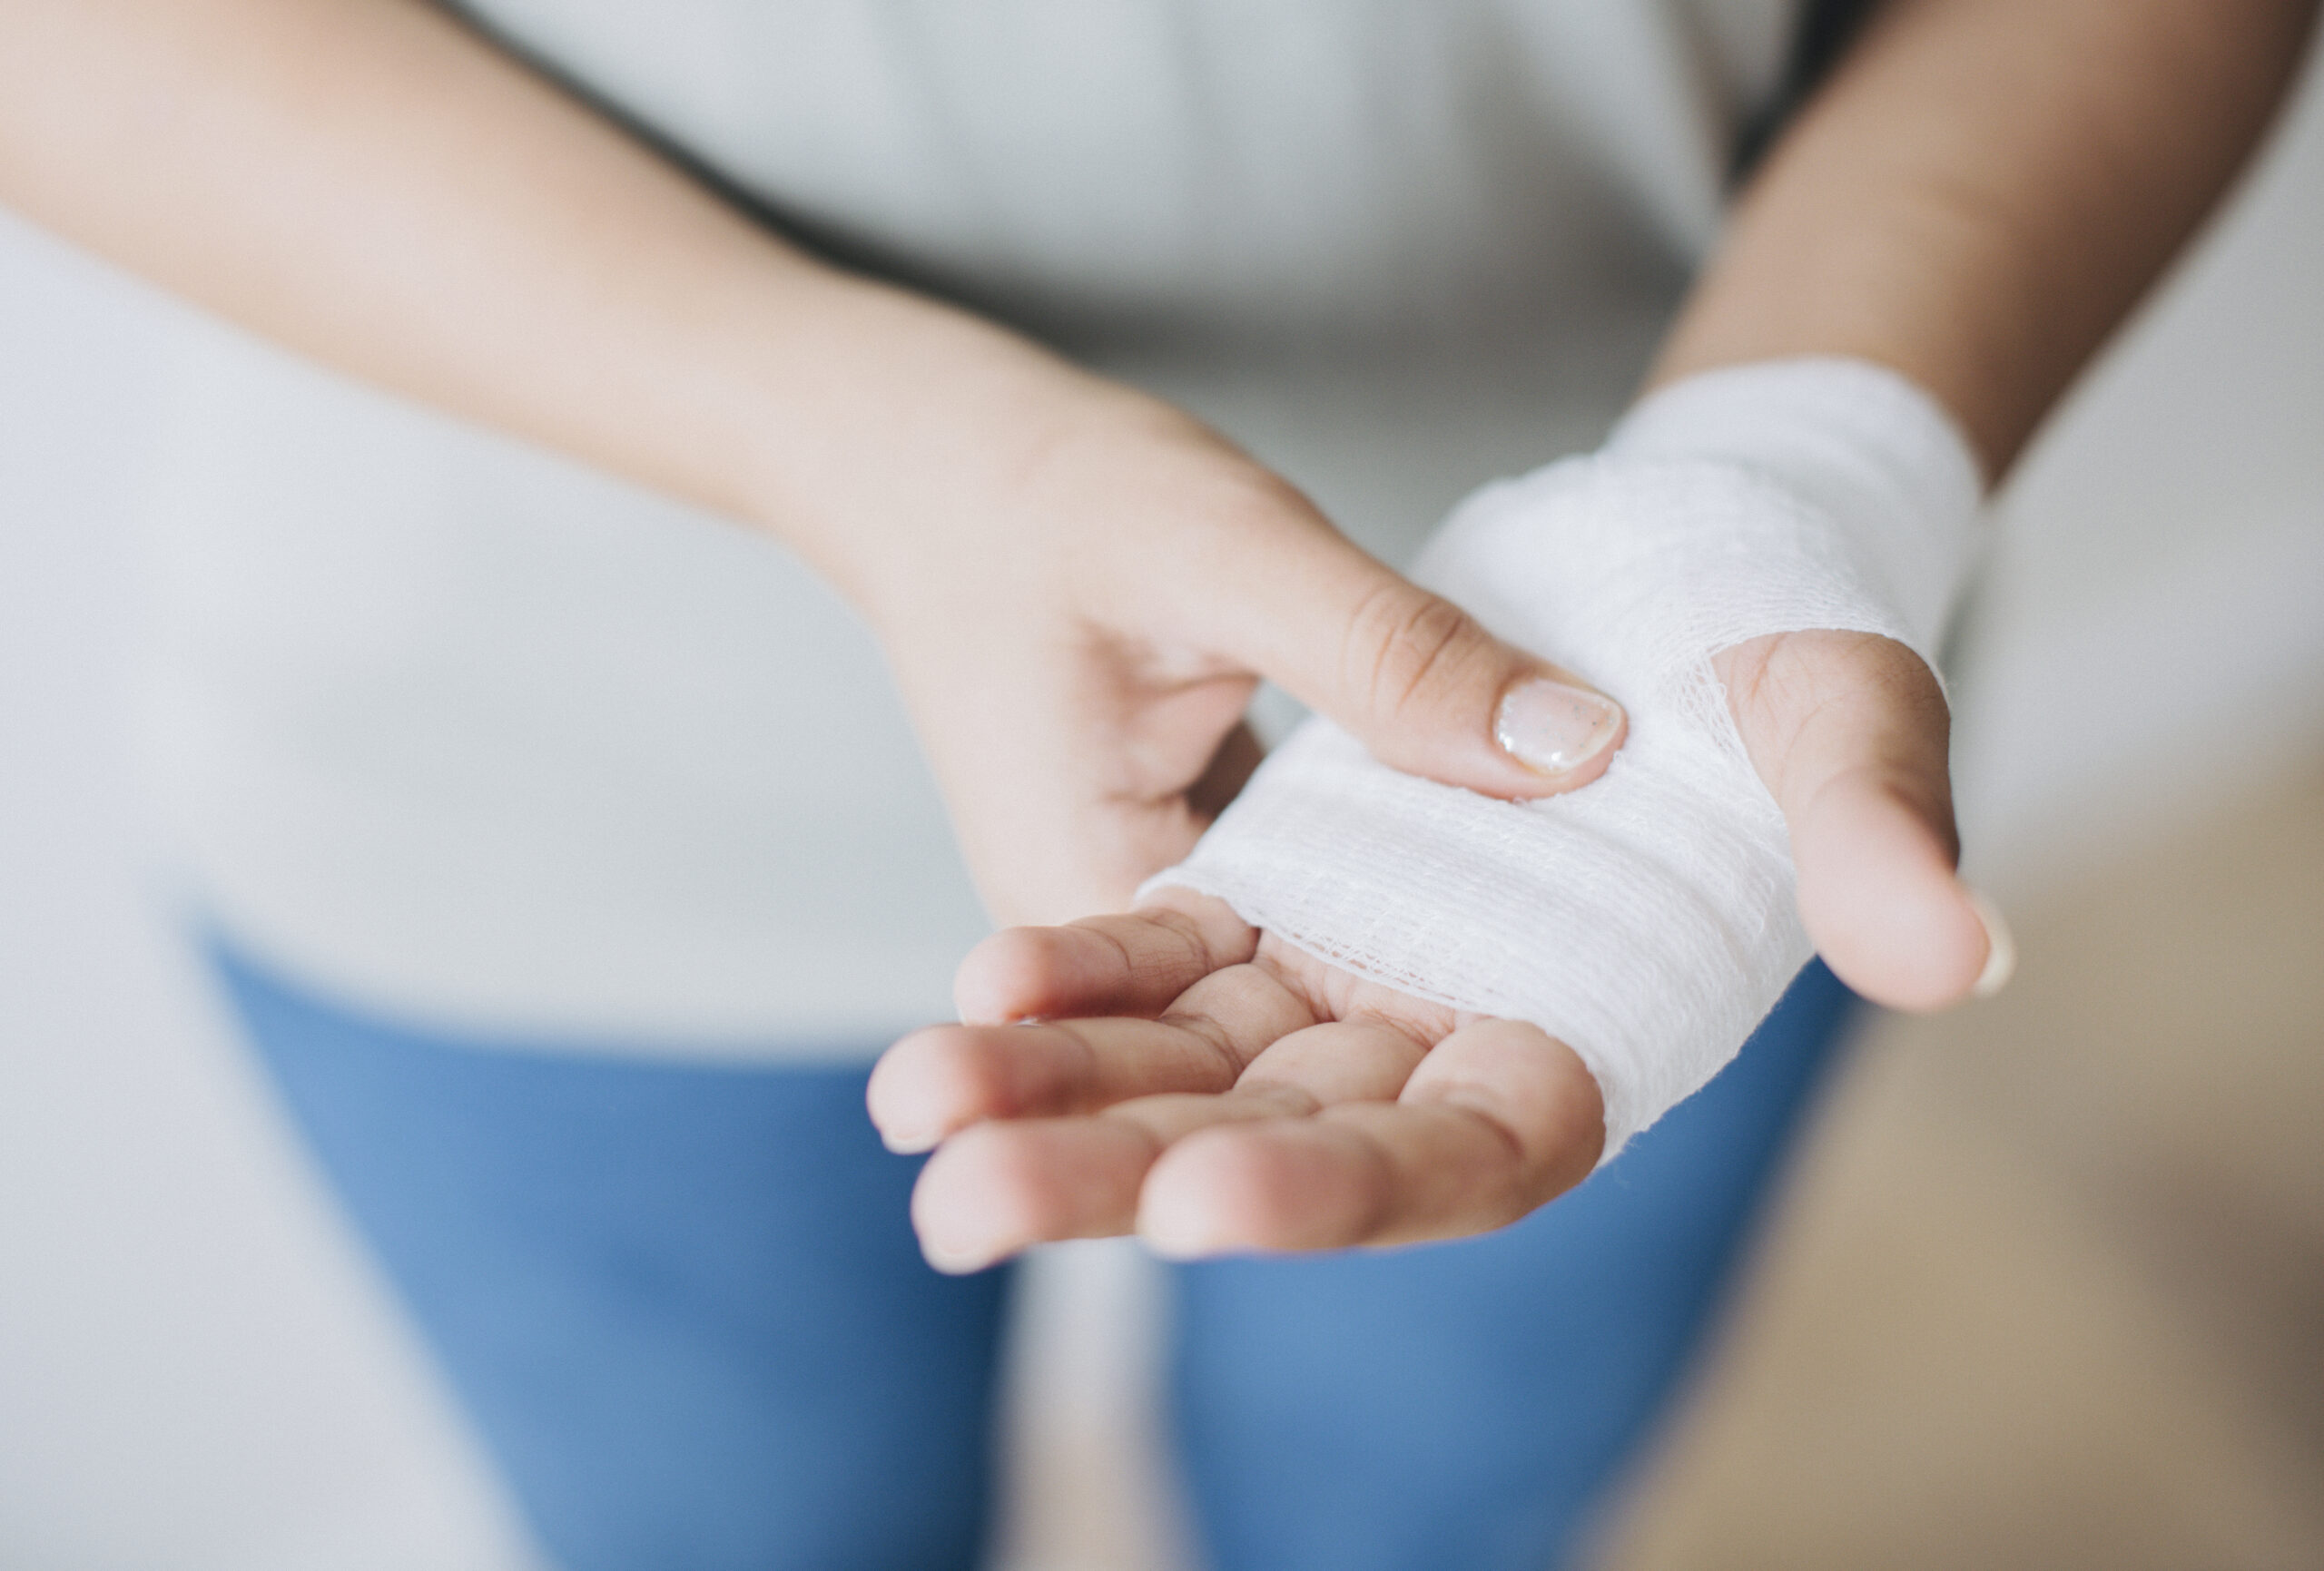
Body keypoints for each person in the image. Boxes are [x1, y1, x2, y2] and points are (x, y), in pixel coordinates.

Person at [2, 2, 2311, 1567]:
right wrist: (846, 428)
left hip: (1639, 816)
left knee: (1418, 1524)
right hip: (522, 776)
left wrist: (1782, 473)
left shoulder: (1646, 808)